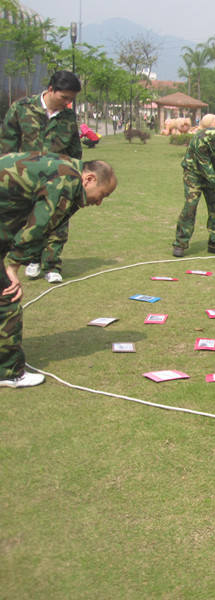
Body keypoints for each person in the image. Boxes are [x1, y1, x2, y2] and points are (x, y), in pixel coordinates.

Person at [0, 152, 116, 388]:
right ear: (90, 179)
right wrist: (12, 267)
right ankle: (8, 372)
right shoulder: (66, 180)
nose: (99, 202)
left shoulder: (67, 168)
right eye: (103, 194)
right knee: (7, 296)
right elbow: (39, 225)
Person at [0, 70, 82, 285]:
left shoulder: (68, 116)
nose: (67, 102)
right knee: (30, 220)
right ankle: (32, 260)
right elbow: (7, 146)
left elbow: (75, 150)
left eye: (71, 99)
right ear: (51, 90)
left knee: (57, 222)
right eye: (64, 97)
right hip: (27, 180)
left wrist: (75, 178)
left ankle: (52, 264)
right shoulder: (21, 108)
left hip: (59, 181)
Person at [171, 123, 215, 257]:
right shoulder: (202, 139)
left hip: (214, 174)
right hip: (194, 172)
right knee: (190, 206)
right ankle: (180, 243)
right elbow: (205, 167)